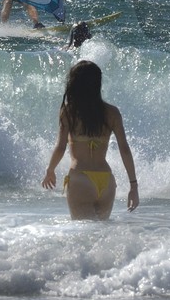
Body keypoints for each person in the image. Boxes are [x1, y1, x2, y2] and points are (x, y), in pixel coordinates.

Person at [42, 59, 139, 219]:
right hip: (106, 181)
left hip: (80, 179)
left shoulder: (69, 113)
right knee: (101, 235)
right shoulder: (112, 112)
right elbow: (124, 149)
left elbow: (60, 147)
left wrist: (50, 170)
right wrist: (133, 186)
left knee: (83, 235)